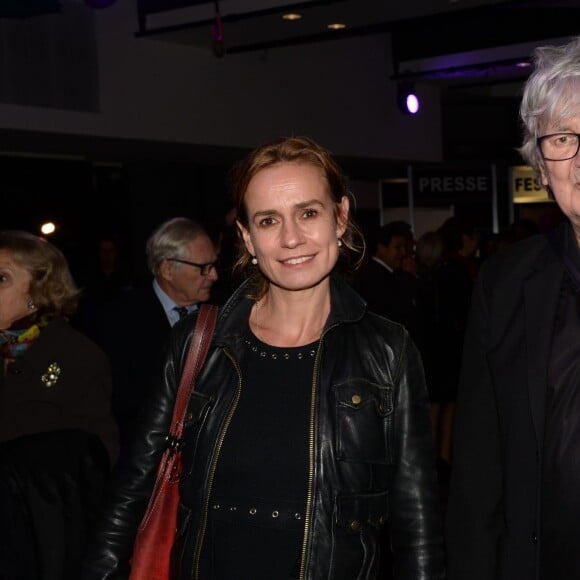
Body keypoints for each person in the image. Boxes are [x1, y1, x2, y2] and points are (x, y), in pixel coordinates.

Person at [82, 136, 445, 579]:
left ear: (341, 217)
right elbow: (131, 490)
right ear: (247, 237)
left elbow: (417, 525)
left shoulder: (388, 350)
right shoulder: (197, 343)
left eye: (308, 213)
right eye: (269, 220)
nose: (291, 238)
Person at [446, 35, 580, 580]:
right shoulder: (505, 283)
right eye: (564, 138)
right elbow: (478, 475)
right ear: (540, 168)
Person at [0, 230, 119, 579]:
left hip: (38, 539)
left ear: (38, 291)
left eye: (1, 277)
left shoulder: (74, 355)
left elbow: (98, 459)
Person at [92, 217, 219, 449]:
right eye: (204, 268)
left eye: (213, 265)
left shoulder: (221, 314)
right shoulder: (118, 320)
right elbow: (121, 403)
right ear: (168, 269)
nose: (214, 276)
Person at [353, 219, 420, 342]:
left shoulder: (382, 274)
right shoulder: (376, 277)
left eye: (404, 247)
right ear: (381, 248)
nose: (403, 252)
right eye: (397, 247)